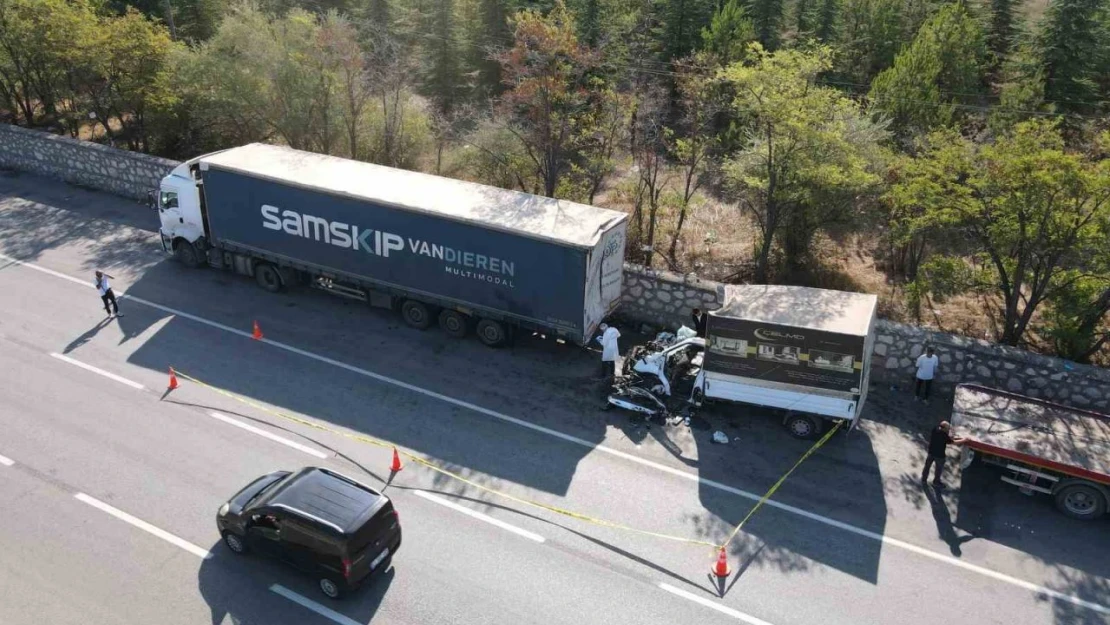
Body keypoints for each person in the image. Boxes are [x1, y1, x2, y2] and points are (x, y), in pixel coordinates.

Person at [922, 421, 965, 488]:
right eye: (948, 428)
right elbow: (952, 442)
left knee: (927, 466)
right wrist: (964, 440)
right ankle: (936, 482)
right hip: (939, 456)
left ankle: (924, 479)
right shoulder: (944, 435)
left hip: (931, 452)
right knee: (938, 470)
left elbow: (948, 438)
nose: (948, 430)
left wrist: (950, 435)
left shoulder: (935, 429)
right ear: (944, 428)